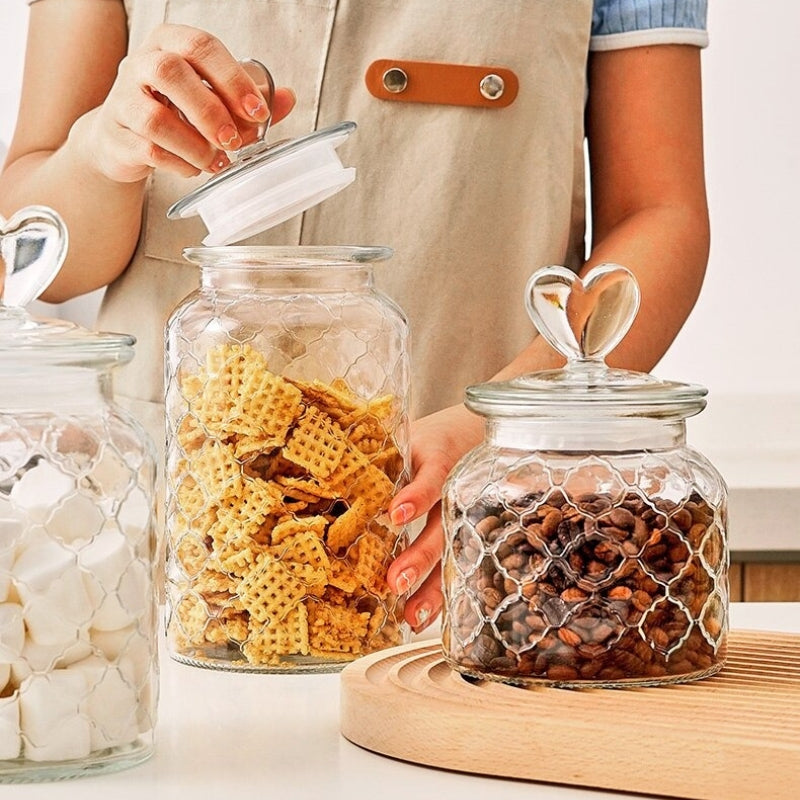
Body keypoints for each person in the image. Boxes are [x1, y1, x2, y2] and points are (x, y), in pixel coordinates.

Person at [0, 0, 710, 634]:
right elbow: (38, 250)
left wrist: (502, 429)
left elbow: (659, 213)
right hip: (159, 549)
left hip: (464, 538)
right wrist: (103, 149)